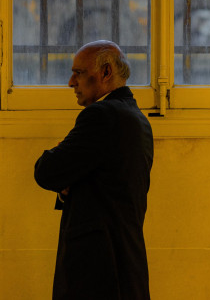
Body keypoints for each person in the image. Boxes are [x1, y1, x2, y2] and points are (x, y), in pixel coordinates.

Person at [34, 40, 154, 300]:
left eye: (78, 73)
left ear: (106, 72)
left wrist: (62, 162)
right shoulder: (136, 118)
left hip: (98, 272)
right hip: (122, 264)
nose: (70, 82)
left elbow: (46, 172)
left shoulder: (102, 115)